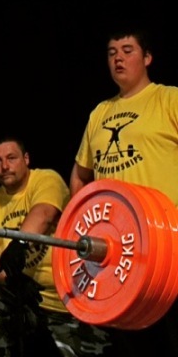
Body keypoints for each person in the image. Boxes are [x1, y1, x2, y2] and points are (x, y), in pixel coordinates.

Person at [70, 26, 178, 355]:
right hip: (121, 253)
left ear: (147, 58)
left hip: (168, 245)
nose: (118, 58)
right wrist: (84, 223)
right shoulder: (100, 113)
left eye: (127, 51)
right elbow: (80, 175)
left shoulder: (169, 99)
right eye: (112, 52)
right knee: (130, 345)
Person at [0, 134, 112, 357]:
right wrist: (13, 280)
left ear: (26, 159)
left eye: (11, 158)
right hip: (23, 302)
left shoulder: (46, 179)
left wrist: (19, 242)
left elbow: (44, 213)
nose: (4, 166)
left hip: (69, 304)